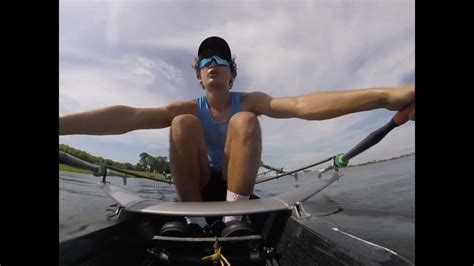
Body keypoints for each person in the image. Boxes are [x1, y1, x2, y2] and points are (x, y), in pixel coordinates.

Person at [59, 36, 415, 236]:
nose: (213, 63)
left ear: (233, 73)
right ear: (198, 74)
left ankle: (234, 218)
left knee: (245, 119)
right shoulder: (189, 104)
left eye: (221, 58)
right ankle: (193, 219)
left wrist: (386, 98)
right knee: (181, 122)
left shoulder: (251, 100)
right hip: (195, 185)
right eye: (205, 61)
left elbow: (303, 105)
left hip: (235, 184)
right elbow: (130, 117)